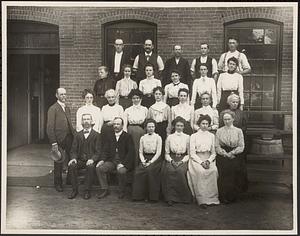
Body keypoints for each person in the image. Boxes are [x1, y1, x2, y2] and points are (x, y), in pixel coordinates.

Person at [96, 117, 135, 199]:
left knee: (121, 171)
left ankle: (121, 191)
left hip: (123, 162)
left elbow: (131, 153)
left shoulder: (127, 136)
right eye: (114, 124)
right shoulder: (110, 136)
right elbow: (105, 150)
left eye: (118, 124)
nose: (116, 126)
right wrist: (102, 160)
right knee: (100, 168)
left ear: (122, 126)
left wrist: (123, 164)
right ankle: (105, 189)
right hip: (112, 161)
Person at [187, 114, 219, 208]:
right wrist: (201, 162)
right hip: (197, 159)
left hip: (208, 158)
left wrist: (208, 161)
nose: (205, 125)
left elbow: (214, 152)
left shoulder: (212, 136)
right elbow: (192, 153)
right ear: (199, 124)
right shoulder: (193, 136)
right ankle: (202, 199)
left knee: (213, 171)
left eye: (207, 124)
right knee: (200, 172)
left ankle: (212, 199)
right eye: (203, 123)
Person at [46, 88, 75, 192]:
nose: (64, 96)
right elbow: (49, 127)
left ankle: (69, 180)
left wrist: (74, 134)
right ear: (57, 95)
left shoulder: (67, 108)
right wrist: (54, 142)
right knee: (58, 160)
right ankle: (57, 183)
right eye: (61, 94)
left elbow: (69, 123)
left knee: (71, 158)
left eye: (65, 94)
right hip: (59, 139)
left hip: (69, 137)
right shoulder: (53, 108)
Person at [67, 114, 101, 199]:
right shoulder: (77, 135)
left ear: (91, 121)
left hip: (90, 160)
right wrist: (74, 158)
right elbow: (73, 149)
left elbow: (98, 151)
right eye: (84, 119)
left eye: (88, 119)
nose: (86, 121)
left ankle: (87, 190)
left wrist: (93, 159)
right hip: (80, 160)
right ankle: (74, 190)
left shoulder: (97, 135)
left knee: (90, 167)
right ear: (82, 122)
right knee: (72, 166)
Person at [215, 110, 245, 204]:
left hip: (235, 154)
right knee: (223, 171)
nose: (226, 121)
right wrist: (224, 153)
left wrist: (232, 153)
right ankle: (223, 196)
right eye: (225, 119)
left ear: (233, 119)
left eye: (228, 119)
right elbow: (217, 146)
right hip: (223, 154)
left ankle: (233, 196)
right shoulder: (219, 131)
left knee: (234, 170)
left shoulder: (238, 131)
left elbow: (241, 146)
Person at [162, 116, 192, 206]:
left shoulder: (187, 137)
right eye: (177, 125)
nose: (179, 127)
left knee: (179, 171)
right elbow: (166, 153)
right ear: (174, 126)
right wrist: (171, 161)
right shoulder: (170, 137)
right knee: (170, 170)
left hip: (183, 158)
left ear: (184, 127)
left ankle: (183, 197)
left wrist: (181, 161)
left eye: (181, 126)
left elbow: (189, 154)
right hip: (171, 157)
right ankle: (170, 198)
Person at [132, 119, 162, 202]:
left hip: (155, 159)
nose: (151, 128)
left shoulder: (158, 138)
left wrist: (151, 162)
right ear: (146, 128)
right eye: (149, 127)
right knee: (139, 171)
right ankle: (139, 196)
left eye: (152, 127)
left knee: (150, 171)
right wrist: (143, 161)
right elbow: (140, 151)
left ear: (155, 127)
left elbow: (158, 152)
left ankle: (152, 197)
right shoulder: (143, 138)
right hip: (145, 158)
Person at [123, 89, 148, 167]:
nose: (136, 100)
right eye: (134, 98)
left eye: (137, 98)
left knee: (139, 149)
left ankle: (139, 165)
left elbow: (147, 122)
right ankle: (130, 166)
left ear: (140, 99)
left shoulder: (145, 109)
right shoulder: (128, 110)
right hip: (131, 130)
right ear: (131, 99)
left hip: (141, 131)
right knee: (132, 149)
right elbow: (125, 123)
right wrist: (125, 133)